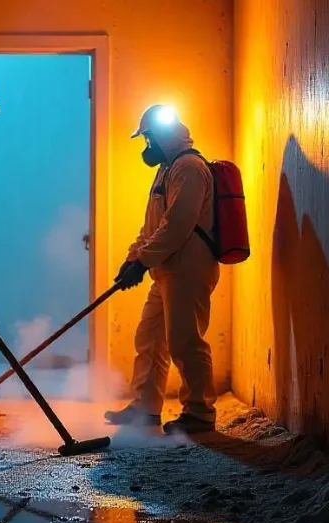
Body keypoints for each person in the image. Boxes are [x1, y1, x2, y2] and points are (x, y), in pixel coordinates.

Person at [105, 105, 220, 434]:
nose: (146, 147)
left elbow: (178, 225)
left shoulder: (190, 168)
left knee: (185, 341)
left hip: (188, 270)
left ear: (161, 137)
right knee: (151, 338)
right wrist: (133, 258)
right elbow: (151, 226)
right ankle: (145, 407)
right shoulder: (168, 170)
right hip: (167, 268)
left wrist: (142, 263)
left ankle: (199, 411)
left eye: (147, 140)